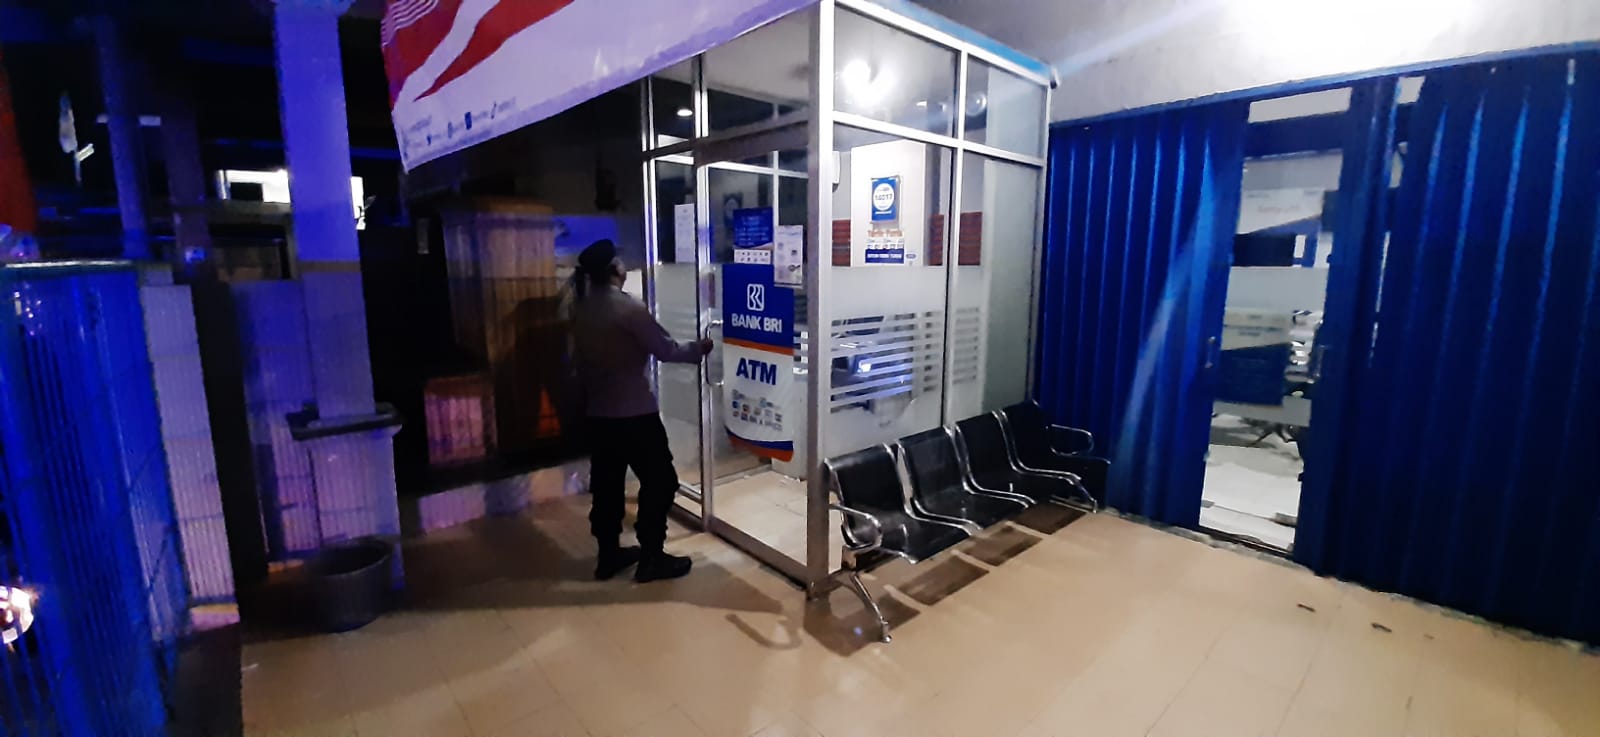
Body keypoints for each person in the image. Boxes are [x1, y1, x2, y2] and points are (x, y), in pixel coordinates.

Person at [570, 239, 712, 582]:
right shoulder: (628, 309)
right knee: (661, 482)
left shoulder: (581, 308)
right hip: (634, 414)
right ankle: (652, 557)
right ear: (614, 269)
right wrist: (700, 349)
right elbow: (665, 349)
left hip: (599, 415)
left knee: (607, 486)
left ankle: (608, 555)